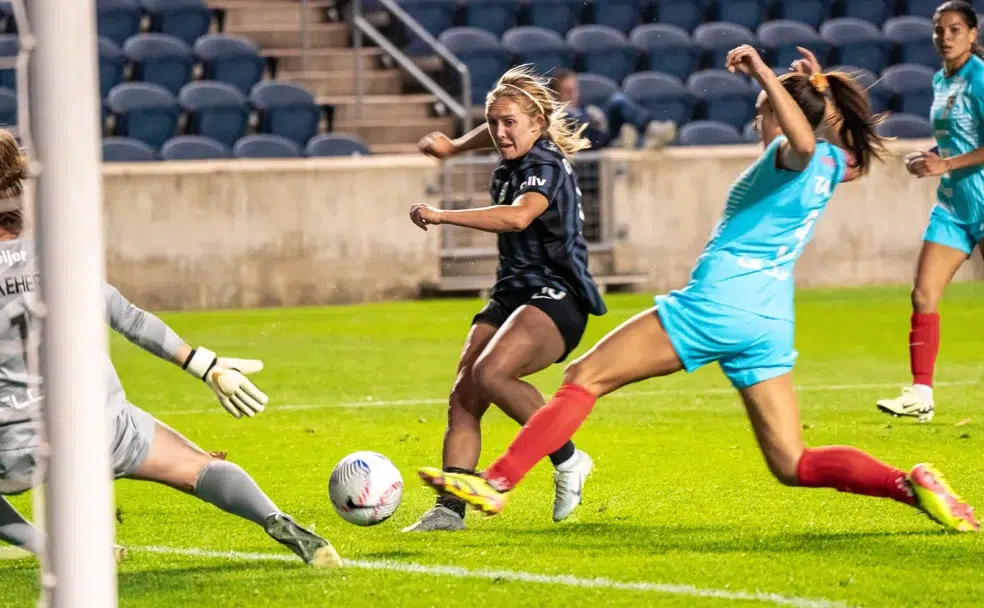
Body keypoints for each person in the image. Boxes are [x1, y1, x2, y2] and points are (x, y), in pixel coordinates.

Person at [417, 47, 980, 533]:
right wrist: (818, 93)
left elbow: (799, 142)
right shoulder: (839, 163)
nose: (757, 123)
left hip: (717, 302)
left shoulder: (789, 156)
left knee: (580, 378)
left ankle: (496, 481)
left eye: (762, 114)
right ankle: (908, 485)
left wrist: (765, 75)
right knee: (792, 461)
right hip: (767, 321)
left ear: (782, 120)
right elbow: (837, 147)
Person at [0, 130, 342, 566]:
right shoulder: (61, 257)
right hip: (100, 428)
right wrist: (205, 366)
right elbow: (131, 320)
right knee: (197, 467)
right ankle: (278, 521)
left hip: (13, 448)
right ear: (22, 203)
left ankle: (50, 549)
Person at [400, 65, 608, 532]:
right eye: (493, 121)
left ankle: (569, 459)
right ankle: (448, 512)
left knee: (492, 372)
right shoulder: (513, 146)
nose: (499, 131)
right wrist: (455, 147)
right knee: (464, 394)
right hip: (512, 291)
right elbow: (493, 130)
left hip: (558, 295)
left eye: (509, 122)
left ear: (538, 123)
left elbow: (518, 218)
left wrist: (442, 215)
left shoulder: (544, 165)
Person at [876, 0, 984, 423]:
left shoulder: (979, 79)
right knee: (923, 294)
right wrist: (931, 157)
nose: (945, 37)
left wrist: (948, 163)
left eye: (955, 29)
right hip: (954, 206)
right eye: (939, 30)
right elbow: (958, 141)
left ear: (973, 35)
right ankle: (921, 394)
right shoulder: (941, 79)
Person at [548, 67, 677, 150]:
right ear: (555, 94)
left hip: (601, 138)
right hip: (585, 147)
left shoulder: (586, 109)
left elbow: (600, 125)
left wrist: (595, 117)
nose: (573, 95)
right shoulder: (556, 116)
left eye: (574, 89)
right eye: (567, 91)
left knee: (618, 100)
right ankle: (619, 142)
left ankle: (651, 129)